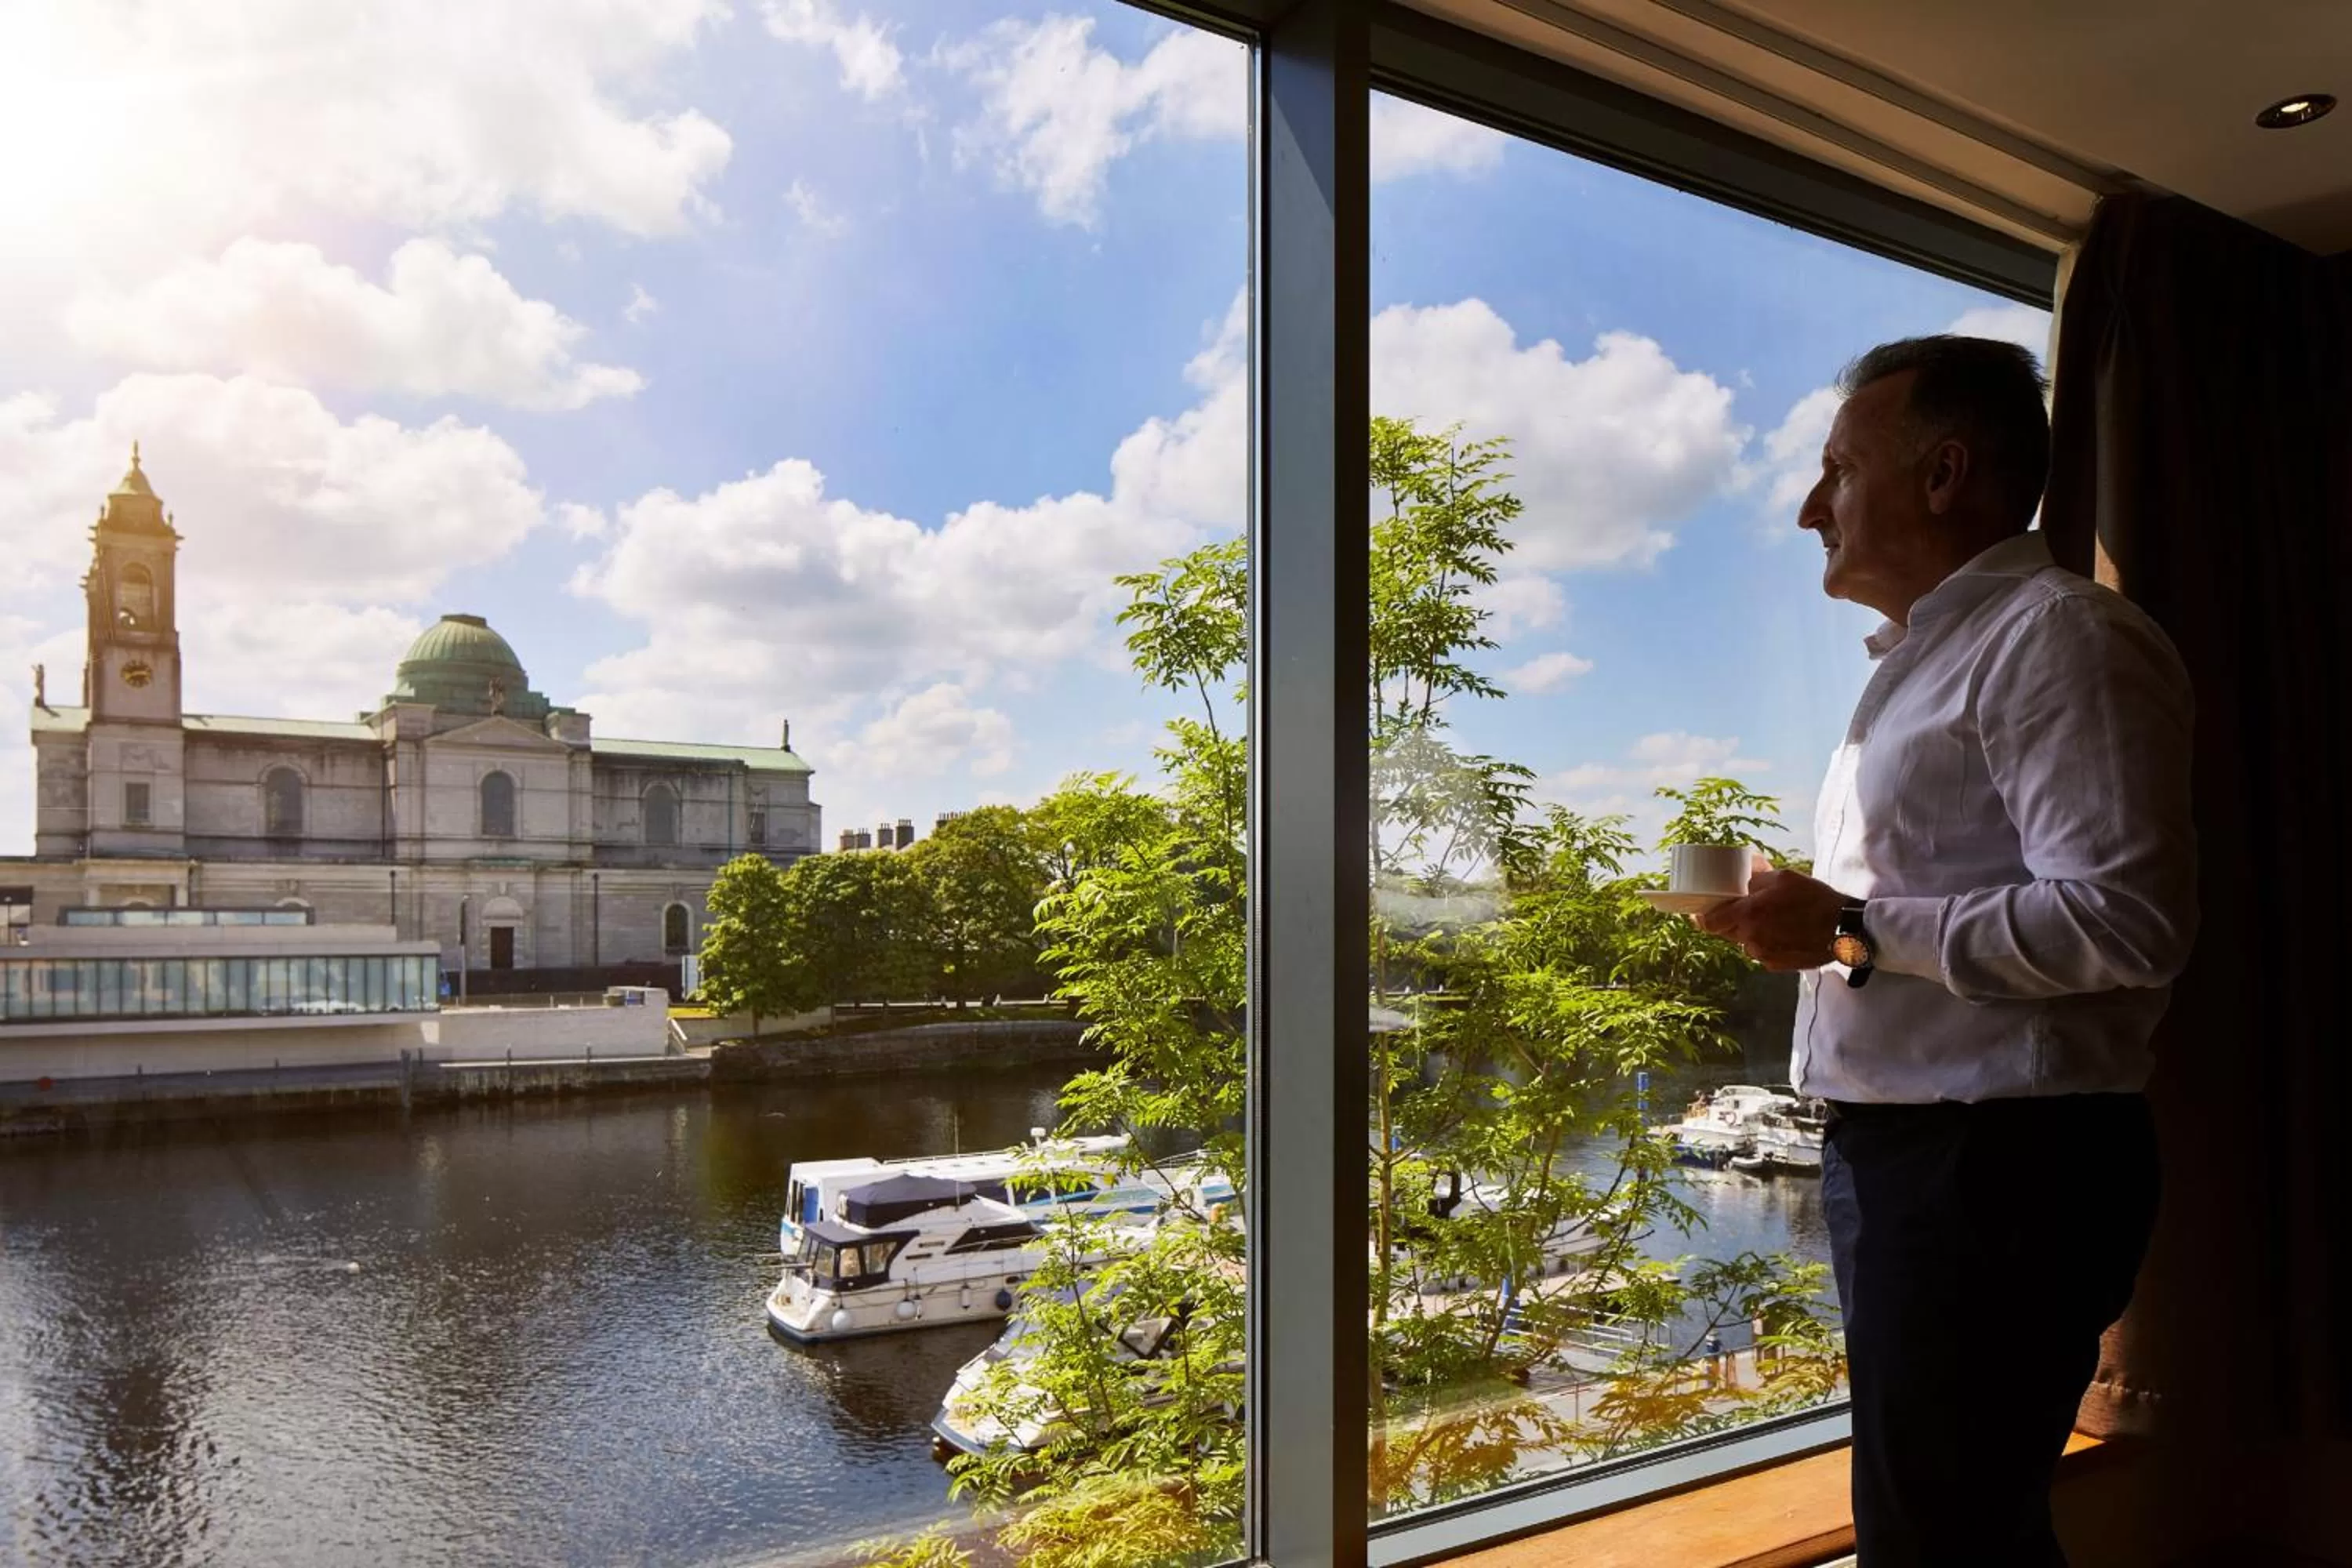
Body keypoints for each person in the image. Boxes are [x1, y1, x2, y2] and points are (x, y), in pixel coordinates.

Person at [1695, 336, 2197, 1566]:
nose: (1810, 507)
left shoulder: (2059, 639)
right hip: (1933, 1160)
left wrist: (1850, 928)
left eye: (1837, 471)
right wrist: (1814, 920)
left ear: (1943, 474)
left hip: (1997, 1170)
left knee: (1939, 1539)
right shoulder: (1932, 664)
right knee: (1956, 1530)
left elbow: (2126, 922)